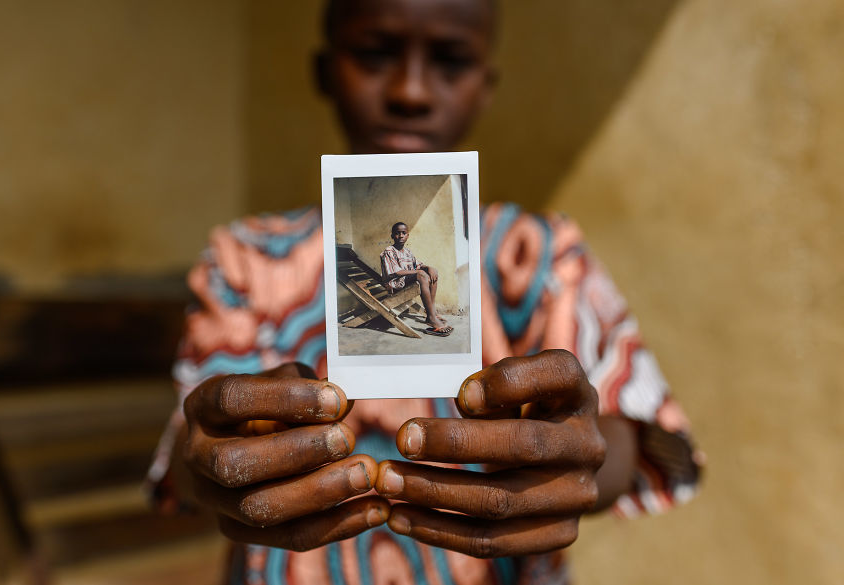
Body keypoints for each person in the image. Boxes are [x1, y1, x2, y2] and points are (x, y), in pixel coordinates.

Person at [146, 0, 702, 583]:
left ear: (486, 86)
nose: (410, 91)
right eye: (375, 53)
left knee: (428, 278)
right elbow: (197, 449)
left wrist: (584, 456)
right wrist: (212, 454)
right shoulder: (244, 261)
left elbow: (624, 435)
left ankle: (431, 315)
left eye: (450, 61)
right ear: (323, 71)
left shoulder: (537, 255)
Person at [380, 221, 450, 336]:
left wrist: (429, 267)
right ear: (392, 235)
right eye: (397, 233)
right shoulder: (389, 251)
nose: (401, 235)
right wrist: (420, 271)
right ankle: (432, 318)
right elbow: (397, 272)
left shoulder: (407, 251)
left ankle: (431, 312)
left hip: (404, 281)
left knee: (432, 272)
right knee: (422, 275)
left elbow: (418, 265)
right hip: (394, 284)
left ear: (407, 235)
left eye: (404, 233)